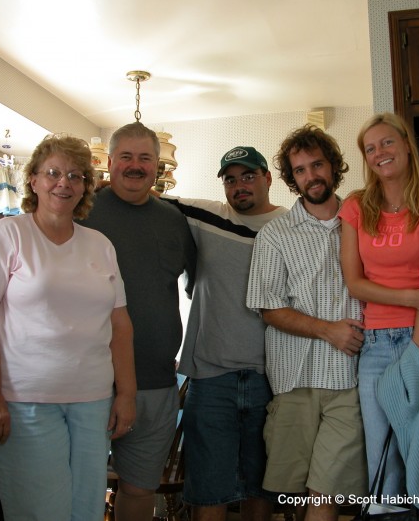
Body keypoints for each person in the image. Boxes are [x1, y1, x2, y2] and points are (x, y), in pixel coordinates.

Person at [0, 134, 136, 521]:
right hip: (25, 401)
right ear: (34, 181)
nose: (64, 182)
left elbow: (119, 324)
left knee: (87, 510)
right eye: (54, 173)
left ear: (85, 188)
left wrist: (126, 393)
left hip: (93, 402)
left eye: (76, 176)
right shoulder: (10, 234)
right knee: (42, 512)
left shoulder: (100, 245)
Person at [338, 112, 419, 498]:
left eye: (387, 142)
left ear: (407, 146)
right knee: (385, 472)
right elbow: (355, 283)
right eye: (371, 148)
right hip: (376, 347)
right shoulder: (356, 207)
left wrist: (416, 353)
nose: (380, 152)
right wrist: (411, 298)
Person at [159, 146, 287, 521]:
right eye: (230, 179)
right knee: (208, 489)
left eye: (248, 176)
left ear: (267, 178)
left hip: (272, 378)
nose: (239, 186)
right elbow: (149, 200)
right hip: (211, 378)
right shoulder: (206, 216)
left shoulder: (291, 227)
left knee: (261, 488)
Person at [246, 125, 367, 521]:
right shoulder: (275, 235)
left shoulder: (363, 224)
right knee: (295, 497)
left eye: (317, 165)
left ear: (333, 166)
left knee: (325, 492)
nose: (311, 175)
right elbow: (269, 308)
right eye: (300, 170)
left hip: (350, 379)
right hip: (293, 379)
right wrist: (329, 330)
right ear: (291, 178)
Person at [78, 122, 196, 521]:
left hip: (158, 384)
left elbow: (196, 287)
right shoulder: (82, 213)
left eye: (145, 157)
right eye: (125, 157)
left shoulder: (174, 220)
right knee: (84, 490)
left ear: (157, 166)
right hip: (91, 383)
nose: (135, 165)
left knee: (140, 490)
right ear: (109, 163)